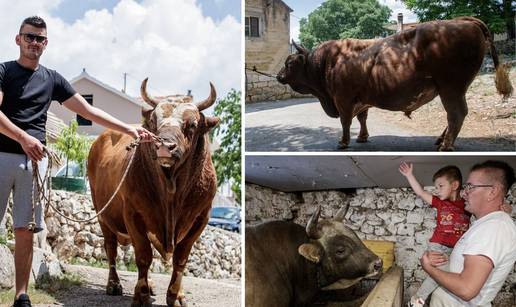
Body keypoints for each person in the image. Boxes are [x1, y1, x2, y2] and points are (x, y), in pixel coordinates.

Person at [0, 16, 153, 307]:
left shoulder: (52, 79)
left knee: (25, 229)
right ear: (18, 39)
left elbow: (89, 112)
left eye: (40, 39)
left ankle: (21, 295)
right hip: (2, 155)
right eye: (29, 37)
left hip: (33, 164)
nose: (34, 43)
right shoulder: (3, 72)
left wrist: (129, 129)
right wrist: (23, 138)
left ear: (46, 44)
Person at [420, 160, 516, 307]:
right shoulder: (486, 224)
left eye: (470, 187)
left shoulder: (493, 228)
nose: (464, 193)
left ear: (493, 191)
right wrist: (447, 259)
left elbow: (466, 289)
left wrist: (429, 268)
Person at [400, 162, 471, 307]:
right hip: (438, 244)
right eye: (436, 187)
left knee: (445, 275)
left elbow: (483, 209)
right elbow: (420, 192)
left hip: (456, 249)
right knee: (440, 272)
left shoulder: (467, 205)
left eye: (440, 186)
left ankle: (422, 300)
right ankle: (417, 300)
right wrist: (409, 175)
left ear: (455, 185)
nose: (436, 190)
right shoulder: (439, 202)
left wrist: (502, 208)